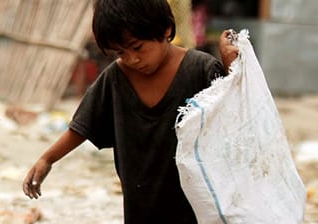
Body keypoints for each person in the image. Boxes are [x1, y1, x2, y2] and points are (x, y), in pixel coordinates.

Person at [23, 0, 238, 223]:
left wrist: (233, 68)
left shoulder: (200, 69)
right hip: (140, 209)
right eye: (120, 52)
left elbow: (236, 118)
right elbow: (83, 126)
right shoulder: (115, 78)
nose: (132, 59)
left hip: (196, 210)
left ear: (165, 29)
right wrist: (47, 159)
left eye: (137, 47)